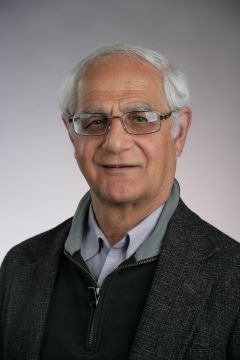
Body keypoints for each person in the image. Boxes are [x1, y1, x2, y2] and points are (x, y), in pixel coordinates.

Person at [1, 45, 240, 360]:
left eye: (141, 118)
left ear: (179, 132)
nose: (114, 142)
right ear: (72, 136)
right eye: (95, 121)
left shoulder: (232, 279)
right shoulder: (20, 266)